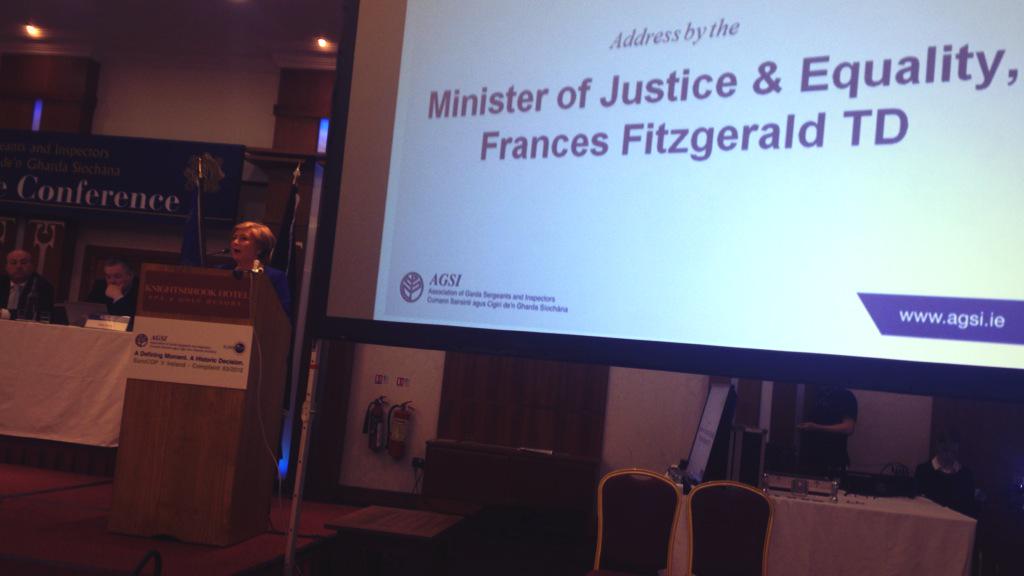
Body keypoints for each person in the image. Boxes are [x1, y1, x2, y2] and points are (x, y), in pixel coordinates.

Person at [225, 221, 291, 318]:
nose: (235, 242)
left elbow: (282, 313)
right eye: (234, 238)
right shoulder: (221, 271)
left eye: (244, 238)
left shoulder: (274, 277)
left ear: (260, 248)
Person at [798, 385, 858, 478]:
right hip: (810, 460)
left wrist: (816, 427)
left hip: (833, 461)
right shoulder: (818, 394)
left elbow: (848, 428)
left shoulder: (846, 396)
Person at [915, 429, 975, 517]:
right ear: (937, 447)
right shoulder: (923, 471)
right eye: (945, 451)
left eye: (953, 452)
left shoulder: (966, 475)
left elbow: (968, 508)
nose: (949, 456)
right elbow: (918, 505)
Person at [0, 249, 55, 321]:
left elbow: (39, 314)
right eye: (13, 263)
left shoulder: (43, 286)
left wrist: (4, 314)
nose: (18, 266)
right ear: (6, 267)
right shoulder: (2, 282)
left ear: (32, 266)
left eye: (23, 262)